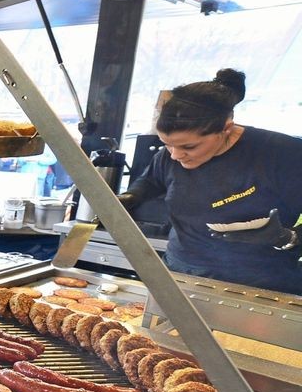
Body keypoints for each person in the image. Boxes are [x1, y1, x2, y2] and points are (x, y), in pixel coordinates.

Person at [119, 69, 302, 294]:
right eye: (166, 144)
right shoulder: (171, 155)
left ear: (226, 127)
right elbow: (151, 181)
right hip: (180, 274)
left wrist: (289, 236)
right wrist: (131, 197)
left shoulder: (282, 154)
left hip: (260, 286)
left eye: (189, 147)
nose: (175, 155)